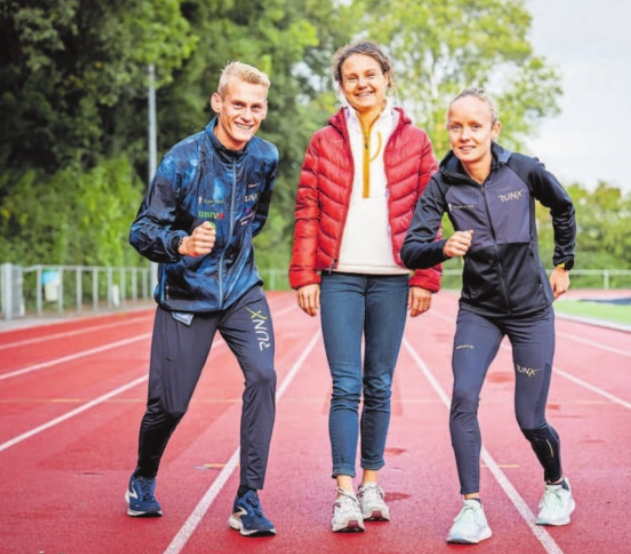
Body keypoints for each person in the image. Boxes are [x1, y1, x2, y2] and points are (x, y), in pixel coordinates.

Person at [401, 88, 577, 544]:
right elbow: (410, 250)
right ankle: (471, 507)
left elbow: (563, 206)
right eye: (456, 126)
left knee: (530, 419)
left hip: (531, 310)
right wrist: (444, 246)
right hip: (479, 310)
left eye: (475, 125)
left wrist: (563, 263)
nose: (465, 135)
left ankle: (557, 486)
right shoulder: (442, 182)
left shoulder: (524, 170)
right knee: (462, 396)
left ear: (493, 129)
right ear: (448, 130)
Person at [289, 40, 441, 533]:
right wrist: (305, 274)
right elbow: (308, 209)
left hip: (395, 279)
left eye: (370, 74)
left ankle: (372, 483)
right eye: (351, 76)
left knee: (379, 385)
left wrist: (425, 275)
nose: (362, 83)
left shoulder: (416, 141)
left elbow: (429, 211)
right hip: (339, 277)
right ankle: (344, 494)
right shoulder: (323, 140)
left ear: (387, 77)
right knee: (345, 385)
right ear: (341, 85)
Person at [126, 61, 278, 537]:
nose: (247, 115)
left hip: (240, 292)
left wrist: (230, 255)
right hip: (185, 298)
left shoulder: (266, 157)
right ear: (218, 103)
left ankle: (247, 500)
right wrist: (182, 246)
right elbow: (142, 230)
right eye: (238, 104)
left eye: (256, 107)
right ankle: (143, 477)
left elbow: (257, 218)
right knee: (169, 407)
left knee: (264, 375)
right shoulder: (183, 159)